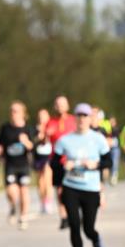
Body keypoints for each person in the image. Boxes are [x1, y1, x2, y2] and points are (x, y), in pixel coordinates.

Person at [51, 103, 111, 247]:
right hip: (71, 187)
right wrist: (64, 165)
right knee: (74, 225)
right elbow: (53, 163)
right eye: (79, 115)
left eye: (85, 116)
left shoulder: (98, 138)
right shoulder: (65, 140)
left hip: (91, 188)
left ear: (90, 119)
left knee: (88, 228)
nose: (82, 119)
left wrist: (96, 164)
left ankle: (96, 240)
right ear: (74, 118)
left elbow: (109, 162)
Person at [0, 101, 35, 229]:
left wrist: (26, 141)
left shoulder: (28, 129)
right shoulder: (5, 128)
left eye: (16, 111)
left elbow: (32, 147)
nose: (13, 114)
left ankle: (23, 216)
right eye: (12, 111)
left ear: (23, 113)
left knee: (24, 191)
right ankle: (13, 206)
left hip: (23, 164)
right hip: (10, 164)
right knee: (12, 192)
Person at [45, 96, 77, 229]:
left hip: (72, 160)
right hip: (57, 160)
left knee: (73, 188)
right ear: (54, 106)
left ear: (67, 106)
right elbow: (43, 141)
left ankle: (74, 214)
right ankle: (63, 216)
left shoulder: (74, 120)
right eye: (57, 104)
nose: (60, 107)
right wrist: (46, 135)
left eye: (63, 104)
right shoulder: (50, 122)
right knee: (60, 190)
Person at [32, 108, 55, 215]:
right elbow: (32, 142)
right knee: (40, 180)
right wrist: (39, 136)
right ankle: (42, 201)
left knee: (48, 176)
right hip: (38, 156)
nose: (42, 119)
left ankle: (49, 201)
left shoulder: (52, 127)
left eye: (44, 116)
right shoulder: (35, 129)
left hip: (49, 156)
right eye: (40, 116)